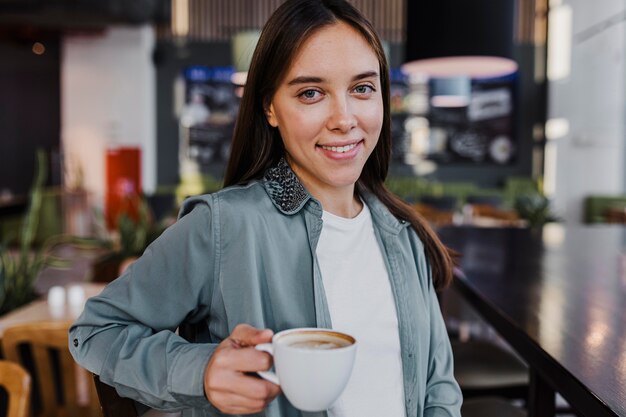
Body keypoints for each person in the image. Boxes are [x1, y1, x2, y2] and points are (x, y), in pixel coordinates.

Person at [69, 0, 462, 416]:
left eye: (362, 88)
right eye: (311, 93)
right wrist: (200, 371)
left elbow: (439, 385)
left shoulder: (404, 235)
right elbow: (97, 332)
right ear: (269, 107)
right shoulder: (224, 226)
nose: (344, 119)